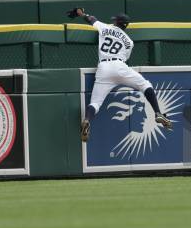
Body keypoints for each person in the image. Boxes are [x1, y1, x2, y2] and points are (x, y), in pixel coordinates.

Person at [69, 8, 172, 142]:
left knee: (95, 103)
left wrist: (82, 14)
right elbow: (125, 57)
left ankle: (87, 120)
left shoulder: (105, 27)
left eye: (115, 20)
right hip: (120, 66)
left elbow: (91, 19)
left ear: (116, 22)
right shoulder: (130, 42)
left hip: (104, 67)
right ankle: (158, 112)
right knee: (145, 85)